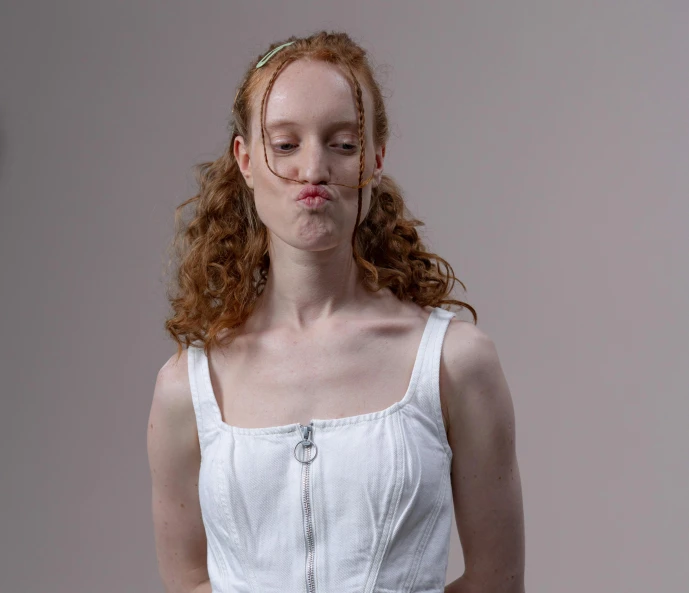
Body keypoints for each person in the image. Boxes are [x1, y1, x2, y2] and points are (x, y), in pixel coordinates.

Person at [147, 31, 525, 593]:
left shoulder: (455, 363)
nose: (314, 168)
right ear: (246, 160)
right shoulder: (189, 387)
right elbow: (187, 585)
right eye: (285, 144)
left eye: (342, 143)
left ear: (374, 158)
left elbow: (497, 582)